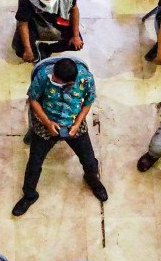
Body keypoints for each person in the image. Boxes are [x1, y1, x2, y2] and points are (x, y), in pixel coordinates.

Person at [12, 58, 107, 216]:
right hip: (46, 122)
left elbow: (88, 102)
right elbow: (33, 99)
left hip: (73, 122)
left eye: (57, 80)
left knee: (89, 159)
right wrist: (48, 123)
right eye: (54, 76)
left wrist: (77, 124)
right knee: (34, 164)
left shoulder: (86, 79)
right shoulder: (44, 75)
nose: (53, 79)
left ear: (70, 82)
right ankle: (29, 195)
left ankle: (92, 180)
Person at [13, 0, 82, 63]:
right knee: (21, 50)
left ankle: (47, 49)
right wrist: (28, 49)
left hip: (58, 18)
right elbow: (23, 24)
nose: (50, 1)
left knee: (76, 44)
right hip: (35, 21)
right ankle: (37, 55)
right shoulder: (27, 0)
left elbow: (74, 10)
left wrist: (76, 36)